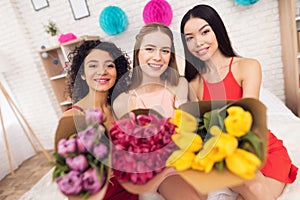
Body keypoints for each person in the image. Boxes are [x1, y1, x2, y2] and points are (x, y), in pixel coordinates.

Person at [180, 4, 298, 200]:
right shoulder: (194, 84)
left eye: (205, 32)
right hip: (225, 154)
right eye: (190, 38)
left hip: (260, 146)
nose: (198, 42)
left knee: (257, 190)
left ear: (217, 31)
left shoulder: (247, 66)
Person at [113, 23, 201, 200]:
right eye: (150, 49)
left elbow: (192, 128)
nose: (158, 57)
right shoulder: (123, 100)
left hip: (188, 158)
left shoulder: (179, 85)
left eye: (165, 51)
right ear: (138, 52)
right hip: (159, 171)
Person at [54, 40, 138, 200]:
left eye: (109, 65)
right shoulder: (72, 119)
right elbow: (72, 188)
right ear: (83, 74)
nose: (103, 71)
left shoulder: (121, 109)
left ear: (117, 72)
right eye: (93, 65)